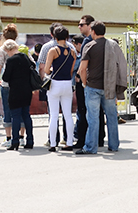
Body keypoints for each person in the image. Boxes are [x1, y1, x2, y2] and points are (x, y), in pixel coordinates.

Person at [78, 21, 126, 154]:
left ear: (93, 31)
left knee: (93, 118)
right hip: (109, 86)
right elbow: (121, 64)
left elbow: (82, 69)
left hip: (92, 86)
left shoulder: (89, 46)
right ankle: (114, 145)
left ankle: (91, 147)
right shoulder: (113, 45)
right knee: (111, 116)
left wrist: (84, 83)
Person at [41, 25, 76, 152]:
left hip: (55, 84)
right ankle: (70, 142)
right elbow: (71, 70)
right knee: (68, 115)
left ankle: (53, 144)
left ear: (55, 37)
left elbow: (46, 69)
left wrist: (50, 70)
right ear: (67, 37)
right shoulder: (72, 51)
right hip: (67, 83)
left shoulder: (53, 50)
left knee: (54, 115)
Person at [72, 15, 104, 149]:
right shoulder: (104, 42)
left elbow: (83, 64)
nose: (79, 27)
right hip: (100, 81)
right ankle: (99, 138)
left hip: (88, 82)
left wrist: (82, 79)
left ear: (90, 26)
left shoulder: (87, 42)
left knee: (85, 111)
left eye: (81, 24)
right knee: (98, 111)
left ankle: (84, 140)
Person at [1, 40, 36, 151]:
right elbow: (33, 66)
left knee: (15, 116)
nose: (7, 53)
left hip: (15, 91)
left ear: (10, 49)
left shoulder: (11, 60)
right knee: (26, 115)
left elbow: (5, 77)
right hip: (27, 90)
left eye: (7, 51)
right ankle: (30, 140)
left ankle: (15, 141)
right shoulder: (25, 57)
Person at [0, 23, 20, 147]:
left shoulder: (3, 48)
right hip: (19, 83)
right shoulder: (19, 47)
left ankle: (8, 137)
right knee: (19, 109)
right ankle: (20, 136)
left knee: (7, 110)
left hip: (7, 83)